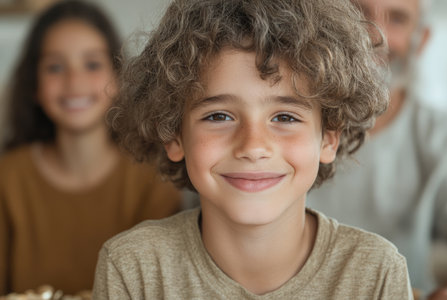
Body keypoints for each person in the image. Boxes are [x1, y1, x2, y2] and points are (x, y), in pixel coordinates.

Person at [92, 0, 414, 298]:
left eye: (285, 117)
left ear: (329, 138)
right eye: (219, 116)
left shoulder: (376, 274)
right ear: (173, 134)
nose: (253, 146)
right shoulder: (132, 268)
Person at [0, 0, 181, 295]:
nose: (74, 81)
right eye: (55, 67)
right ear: (34, 84)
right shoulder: (7, 178)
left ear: (120, 77)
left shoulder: (152, 181)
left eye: (92, 64)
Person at [307, 0, 447, 298]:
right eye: (356, 14)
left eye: (397, 19)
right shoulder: (273, 126)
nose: (375, 36)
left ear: (420, 39)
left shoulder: (442, 138)